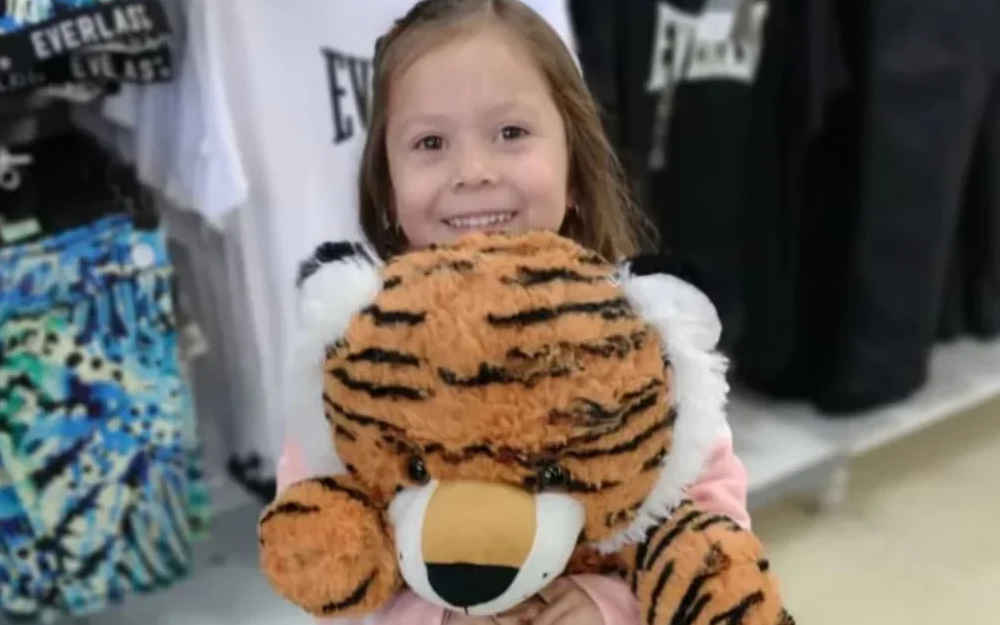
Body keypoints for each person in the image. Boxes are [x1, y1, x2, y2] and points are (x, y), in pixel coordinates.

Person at [276, 1, 750, 623]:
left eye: (511, 133)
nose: (473, 172)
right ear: (386, 188)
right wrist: (441, 614)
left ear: (574, 167)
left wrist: (611, 604)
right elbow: (320, 549)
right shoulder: (362, 352)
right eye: (430, 142)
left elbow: (712, 520)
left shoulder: (636, 336)